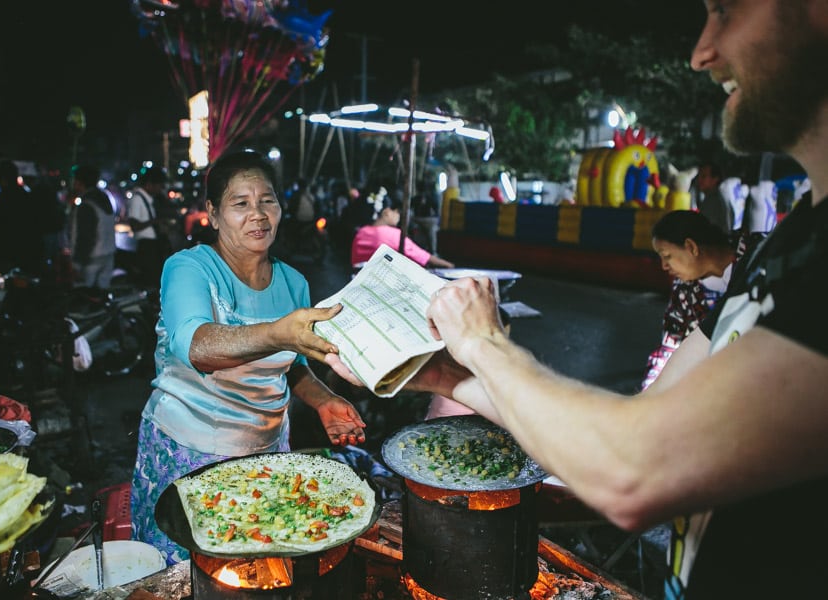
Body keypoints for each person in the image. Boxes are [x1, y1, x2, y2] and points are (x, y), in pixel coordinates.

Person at [327, 2, 828, 597]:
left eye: (724, 11)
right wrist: (446, 377)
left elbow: (636, 470)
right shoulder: (783, 250)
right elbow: (629, 431)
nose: (701, 51)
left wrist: (486, 343)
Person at [130, 150, 366, 565]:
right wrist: (277, 332)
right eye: (240, 203)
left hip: (267, 449)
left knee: (259, 566)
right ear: (214, 214)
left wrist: (324, 400)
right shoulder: (189, 268)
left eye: (267, 201)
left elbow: (294, 367)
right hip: (189, 450)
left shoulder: (294, 282)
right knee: (189, 573)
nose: (257, 214)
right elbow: (197, 346)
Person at [641, 210, 761, 390]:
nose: (664, 266)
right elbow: (670, 346)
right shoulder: (684, 293)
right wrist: (649, 392)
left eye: (667, 256)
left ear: (691, 247)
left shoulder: (757, 255)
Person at [350, 191, 454, 269]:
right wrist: (449, 265)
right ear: (386, 212)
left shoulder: (361, 233)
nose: (398, 215)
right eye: (396, 211)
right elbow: (424, 258)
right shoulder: (393, 235)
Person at [0, 159, 45, 274]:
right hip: (29, 253)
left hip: (8, 255)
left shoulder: (1, 199)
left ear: (2, 179)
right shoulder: (28, 197)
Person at [68, 164, 117, 289]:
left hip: (90, 260)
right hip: (108, 256)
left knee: (84, 298)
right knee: (102, 298)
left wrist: (77, 265)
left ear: (79, 183)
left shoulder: (86, 205)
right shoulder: (105, 198)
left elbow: (85, 237)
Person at [124, 166, 173, 288]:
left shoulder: (148, 199)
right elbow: (134, 225)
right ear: (149, 184)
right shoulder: (137, 199)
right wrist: (154, 222)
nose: (159, 189)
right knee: (150, 280)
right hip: (146, 246)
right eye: (158, 186)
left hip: (152, 245)